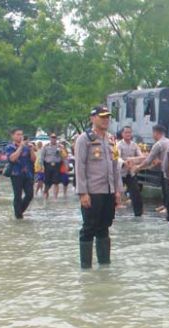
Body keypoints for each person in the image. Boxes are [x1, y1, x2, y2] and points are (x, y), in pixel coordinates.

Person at [75, 105, 123, 269]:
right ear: (93, 118)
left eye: (107, 117)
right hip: (92, 191)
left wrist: (118, 190)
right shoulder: (84, 139)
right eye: (102, 117)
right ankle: (86, 267)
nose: (105, 120)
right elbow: (79, 166)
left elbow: (116, 165)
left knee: (104, 227)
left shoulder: (111, 139)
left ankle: (104, 265)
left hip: (108, 191)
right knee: (89, 228)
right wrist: (82, 192)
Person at [131, 125, 169, 219]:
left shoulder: (158, 144)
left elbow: (148, 160)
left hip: (166, 171)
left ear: (156, 133)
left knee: (167, 191)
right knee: (167, 191)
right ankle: (166, 207)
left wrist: (138, 167)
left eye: (153, 133)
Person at [5, 128, 36, 219]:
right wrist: (21, 147)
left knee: (30, 194)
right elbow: (12, 159)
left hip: (27, 174)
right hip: (16, 174)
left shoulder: (27, 147)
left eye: (21, 134)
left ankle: (19, 211)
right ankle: (18, 215)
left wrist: (31, 149)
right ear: (13, 136)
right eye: (17, 134)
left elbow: (33, 160)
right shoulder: (10, 147)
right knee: (17, 195)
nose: (20, 136)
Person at [116, 126, 144, 216]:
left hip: (131, 173)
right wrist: (124, 163)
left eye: (129, 132)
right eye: (126, 132)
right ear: (122, 134)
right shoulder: (119, 144)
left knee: (136, 193)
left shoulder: (134, 145)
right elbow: (117, 157)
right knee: (116, 193)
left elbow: (141, 156)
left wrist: (134, 161)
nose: (128, 134)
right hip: (121, 172)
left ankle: (138, 213)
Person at [42, 133, 63, 200]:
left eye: (54, 138)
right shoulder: (46, 147)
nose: (53, 139)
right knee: (47, 182)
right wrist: (41, 166)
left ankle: (55, 198)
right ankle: (45, 197)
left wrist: (61, 150)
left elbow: (63, 156)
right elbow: (42, 157)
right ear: (50, 138)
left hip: (57, 165)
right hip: (48, 165)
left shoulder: (59, 147)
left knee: (56, 182)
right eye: (52, 138)